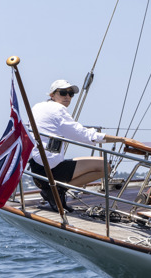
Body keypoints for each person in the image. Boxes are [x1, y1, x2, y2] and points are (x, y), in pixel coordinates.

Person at [30, 79, 129, 211]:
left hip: (36, 167)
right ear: (52, 95)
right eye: (63, 92)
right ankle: (57, 190)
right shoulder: (58, 109)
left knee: (99, 163)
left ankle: (55, 190)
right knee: (105, 167)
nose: (67, 97)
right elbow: (85, 136)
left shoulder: (38, 107)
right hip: (50, 170)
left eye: (70, 94)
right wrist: (121, 139)